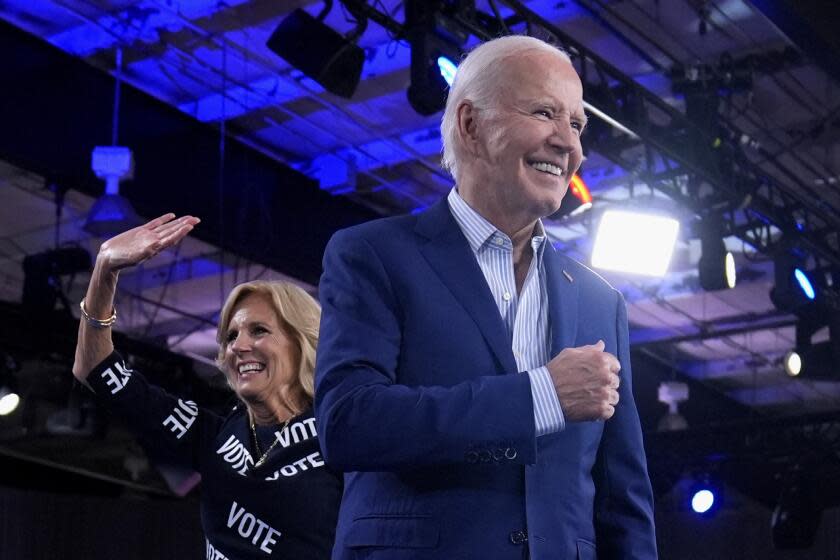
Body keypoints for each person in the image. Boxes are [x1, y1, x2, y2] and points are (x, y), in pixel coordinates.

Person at [315, 35, 657, 559]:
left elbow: (622, 502)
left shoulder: (600, 302)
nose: (570, 143)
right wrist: (540, 396)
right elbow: (349, 425)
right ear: (472, 126)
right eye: (545, 112)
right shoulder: (372, 254)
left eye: (577, 123)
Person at [73, 214, 342, 559]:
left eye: (258, 331)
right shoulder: (214, 438)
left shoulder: (339, 430)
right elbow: (95, 369)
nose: (238, 347)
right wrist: (105, 269)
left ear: (301, 341)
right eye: (231, 336)